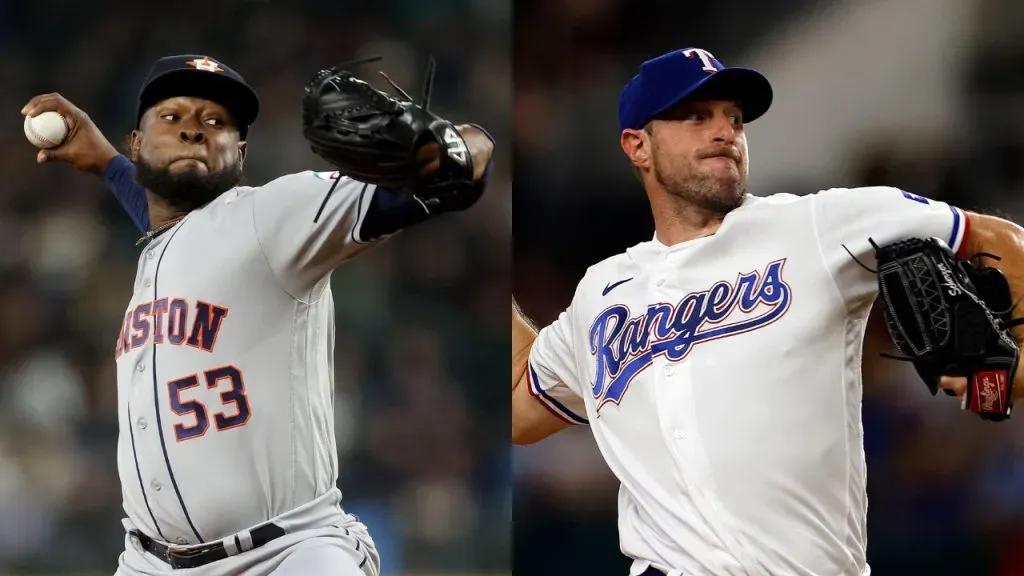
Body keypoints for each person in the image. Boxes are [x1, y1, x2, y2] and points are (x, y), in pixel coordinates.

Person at [511, 46, 1024, 576]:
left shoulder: (816, 223)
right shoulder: (603, 290)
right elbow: (519, 404)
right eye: (695, 115)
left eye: (734, 117)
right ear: (637, 146)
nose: (724, 131)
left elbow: (999, 239)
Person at [22, 54, 495, 576]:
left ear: (240, 152)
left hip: (286, 554)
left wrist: (446, 150)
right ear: (137, 143)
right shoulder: (163, 244)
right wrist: (107, 165)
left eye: (215, 122)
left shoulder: (273, 216)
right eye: (172, 117)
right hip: (147, 563)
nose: (194, 132)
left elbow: (466, 162)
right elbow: (171, 222)